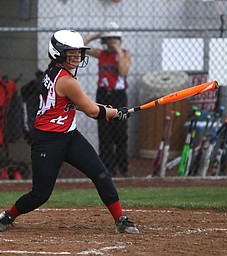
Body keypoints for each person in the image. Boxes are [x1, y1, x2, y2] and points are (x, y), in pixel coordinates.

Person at [0, 29, 139, 234]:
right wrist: (116, 113)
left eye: (78, 53)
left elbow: (83, 104)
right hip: (47, 139)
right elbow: (91, 111)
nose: (76, 57)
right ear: (57, 53)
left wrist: (112, 111)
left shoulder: (56, 73)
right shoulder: (66, 80)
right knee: (40, 194)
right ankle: (7, 216)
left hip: (69, 135)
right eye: (70, 53)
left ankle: (121, 219)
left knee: (100, 174)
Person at [84, 21, 131, 177]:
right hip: (103, 94)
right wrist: (98, 35)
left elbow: (123, 72)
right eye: (108, 40)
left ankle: (123, 167)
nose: (110, 42)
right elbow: (82, 45)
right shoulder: (101, 54)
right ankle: (107, 168)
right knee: (105, 133)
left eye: (114, 39)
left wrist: (117, 48)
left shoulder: (124, 54)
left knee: (120, 132)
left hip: (118, 96)